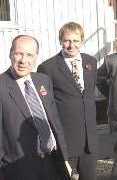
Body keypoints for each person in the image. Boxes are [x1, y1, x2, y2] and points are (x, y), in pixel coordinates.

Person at [0, 35, 71, 180]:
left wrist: (65, 158)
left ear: (36, 57)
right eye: (18, 53)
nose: (23, 60)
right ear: (10, 54)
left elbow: (55, 123)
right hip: (19, 169)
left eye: (29, 55)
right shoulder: (1, 86)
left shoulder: (43, 80)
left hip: (53, 163)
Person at [37, 22, 98, 180]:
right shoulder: (47, 68)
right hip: (66, 141)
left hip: (89, 142)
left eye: (76, 41)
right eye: (67, 41)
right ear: (60, 41)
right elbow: (46, 105)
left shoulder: (91, 62)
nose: (72, 45)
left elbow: (88, 97)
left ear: (82, 41)